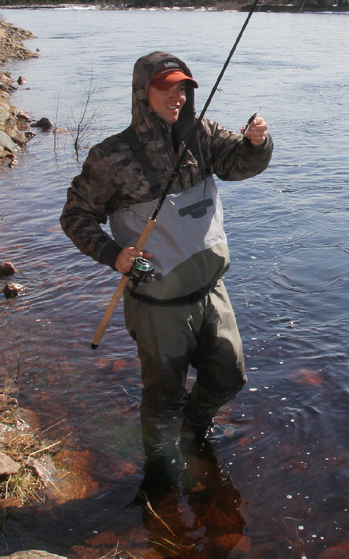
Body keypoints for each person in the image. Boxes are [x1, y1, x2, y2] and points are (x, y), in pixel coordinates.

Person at [60, 51, 272, 483]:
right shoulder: (110, 156)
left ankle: (192, 435)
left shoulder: (203, 134)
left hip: (211, 289)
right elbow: (75, 215)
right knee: (163, 397)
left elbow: (240, 165)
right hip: (157, 303)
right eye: (165, 87)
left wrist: (256, 143)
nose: (176, 96)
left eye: (182, 87)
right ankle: (159, 474)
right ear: (143, 92)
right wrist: (112, 254)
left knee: (229, 377)